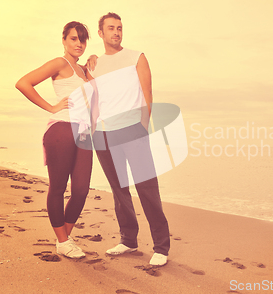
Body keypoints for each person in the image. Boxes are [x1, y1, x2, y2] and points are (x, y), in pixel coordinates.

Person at [88, 13, 170, 266]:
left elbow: (148, 92)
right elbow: (94, 98)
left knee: (147, 188)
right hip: (104, 133)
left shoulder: (137, 57)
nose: (116, 32)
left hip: (133, 130)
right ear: (100, 33)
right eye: (111, 28)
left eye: (120, 28)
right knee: (118, 190)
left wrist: (142, 127)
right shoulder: (93, 64)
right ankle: (128, 240)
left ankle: (161, 247)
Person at [15, 21, 94, 258]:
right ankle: (63, 240)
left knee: (81, 190)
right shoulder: (60, 63)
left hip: (85, 131)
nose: (78, 43)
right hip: (62, 127)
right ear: (63, 40)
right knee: (58, 187)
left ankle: (64, 239)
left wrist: (93, 63)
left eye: (82, 39)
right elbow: (23, 83)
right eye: (73, 38)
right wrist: (50, 107)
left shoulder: (83, 70)